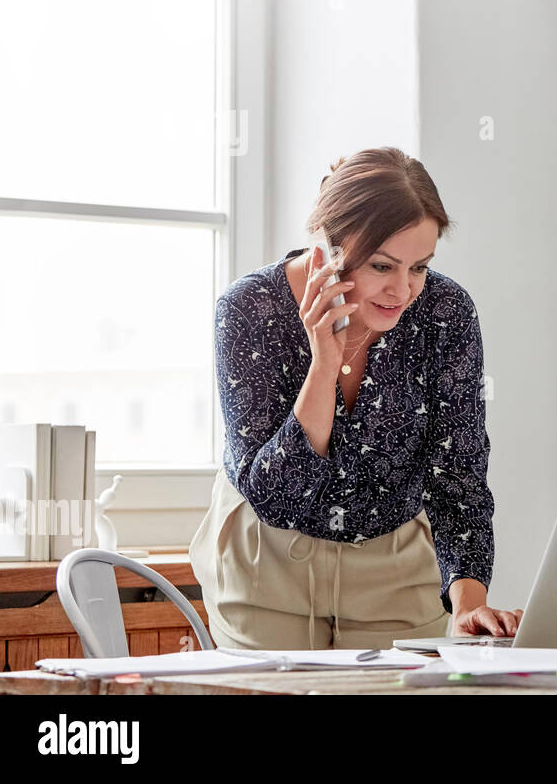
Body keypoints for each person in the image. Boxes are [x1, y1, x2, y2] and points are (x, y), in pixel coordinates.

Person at [190, 147, 521, 649]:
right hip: (265, 561)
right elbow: (274, 494)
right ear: (328, 248)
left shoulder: (445, 312)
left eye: (420, 267)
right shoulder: (249, 310)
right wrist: (323, 366)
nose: (403, 290)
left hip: (395, 564)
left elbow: (458, 474)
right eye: (383, 266)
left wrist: (468, 601)